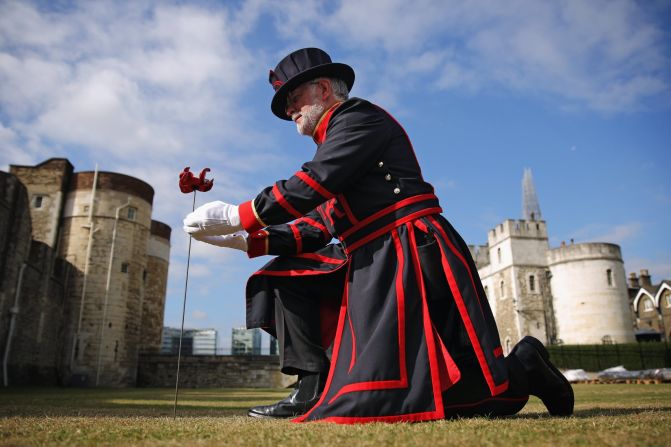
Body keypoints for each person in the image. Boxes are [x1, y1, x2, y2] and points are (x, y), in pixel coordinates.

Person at [183, 48, 573, 423]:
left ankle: (526, 364)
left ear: (322, 89)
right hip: (374, 260)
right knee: (284, 277)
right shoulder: (335, 142)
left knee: (457, 391)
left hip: (413, 253)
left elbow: (314, 182)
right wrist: (246, 240)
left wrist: (240, 214)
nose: (288, 109)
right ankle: (311, 388)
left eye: (293, 96)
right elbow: (318, 226)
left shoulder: (356, 118)